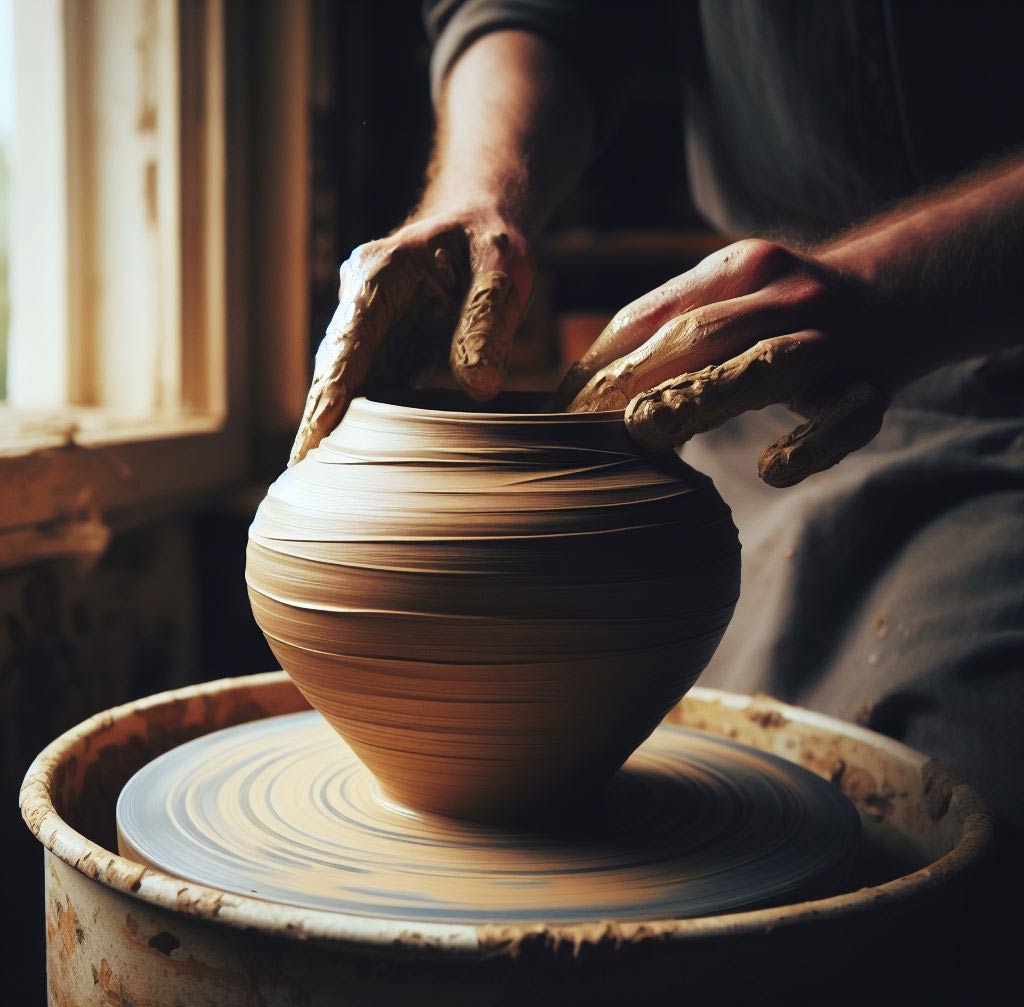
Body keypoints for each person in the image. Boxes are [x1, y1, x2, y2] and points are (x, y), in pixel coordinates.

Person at [290, 1, 1024, 832]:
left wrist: (900, 289)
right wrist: (475, 199)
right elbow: (547, 16)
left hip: (994, 365)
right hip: (765, 398)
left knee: (951, 803)